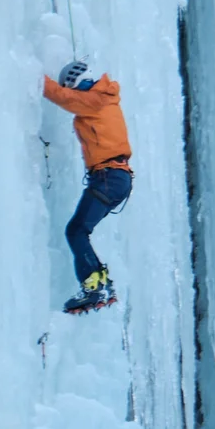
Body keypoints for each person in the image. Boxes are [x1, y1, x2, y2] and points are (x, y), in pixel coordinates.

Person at [41, 60, 132, 312]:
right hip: (116, 178)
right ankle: (100, 282)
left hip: (108, 177)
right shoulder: (103, 97)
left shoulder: (95, 99)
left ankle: (95, 287)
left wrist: (34, 77)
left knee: (76, 230)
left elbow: (61, 97)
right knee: (80, 230)